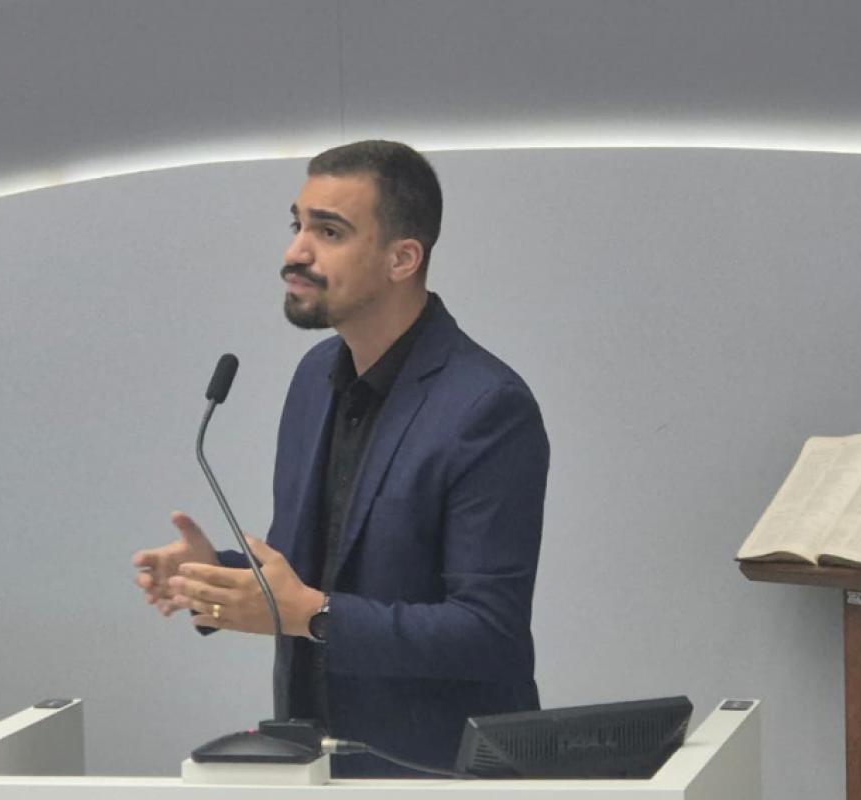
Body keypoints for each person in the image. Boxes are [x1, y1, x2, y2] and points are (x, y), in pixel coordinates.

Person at [133, 140, 549, 776]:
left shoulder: (486, 406)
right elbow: (313, 571)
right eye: (297, 225)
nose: (295, 253)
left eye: (329, 232)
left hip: (438, 775)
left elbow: (489, 633)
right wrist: (214, 577)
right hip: (314, 766)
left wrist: (313, 616)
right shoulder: (314, 376)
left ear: (402, 258)